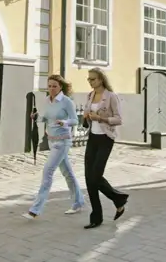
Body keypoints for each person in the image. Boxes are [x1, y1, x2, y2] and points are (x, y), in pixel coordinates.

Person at [23, 75, 85, 220]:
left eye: (54, 86)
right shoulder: (46, 100)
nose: (51, 89)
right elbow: (45, 118)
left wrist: (65, 122)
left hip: (63, 142)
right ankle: (78, 202)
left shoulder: (66, 101)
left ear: (61, 87)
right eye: (49, 86)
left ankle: (35, 209)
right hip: (52, 141)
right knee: (67, 173)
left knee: (47, 172)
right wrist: (36, 117)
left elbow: (75, 120)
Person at [82, 67, 128, 229]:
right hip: (92, 138)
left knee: (95, 176)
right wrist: (86, 117)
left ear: (101, 79)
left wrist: (101, 118)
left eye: (92, 79)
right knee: (89, 179)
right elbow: (87, 118)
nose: (90, 82)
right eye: (89, 79)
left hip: (106, 139)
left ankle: (118, 198)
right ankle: (97, 216)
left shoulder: (111, 97)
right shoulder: (90, 95)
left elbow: (119, 119)